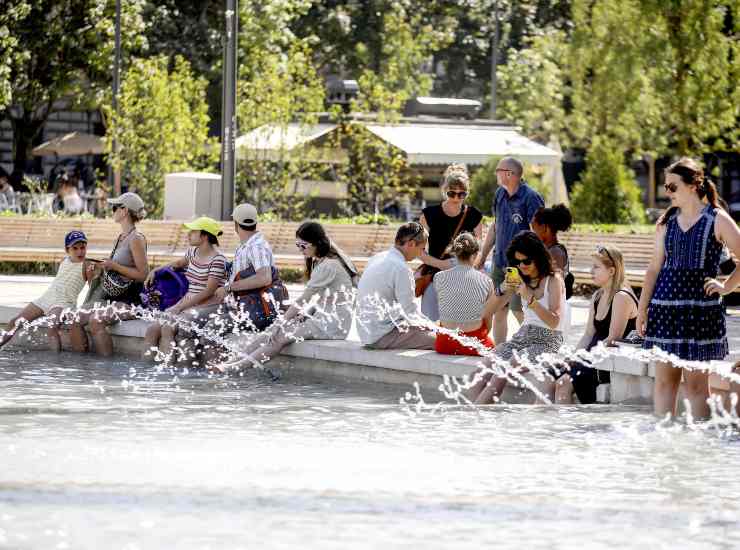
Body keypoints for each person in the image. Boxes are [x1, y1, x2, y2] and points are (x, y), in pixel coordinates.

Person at [637, 158, 740, 419]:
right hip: (665, 310)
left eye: (672, 187)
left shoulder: (717, 219)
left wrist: (726, 287)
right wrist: (642, 310)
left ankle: (699, 450)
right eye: (665, 187)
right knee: (664, 383)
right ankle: (664, 441)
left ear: (693, 185)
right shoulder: (666, 222)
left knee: (696, 386)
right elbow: (653, 269)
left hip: (700, 313)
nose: (666, 192)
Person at [217, 221, 358, 370]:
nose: (300, 250)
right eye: (298, 245)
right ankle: (233, 361)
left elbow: (303, 299)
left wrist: (280, 323)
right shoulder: (321, 262)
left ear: (315, 243)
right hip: (324, 318)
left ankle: (237, 367)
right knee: (269, 333)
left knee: (277, 337)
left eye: (303, 246)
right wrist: (307, 314)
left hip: (333, 325)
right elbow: (327, 299)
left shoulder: (328, 266)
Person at [469, 231, 568, 404]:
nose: (522, 266)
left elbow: (554, 321)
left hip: (547, 340)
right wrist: (502, 287)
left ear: (538, 257)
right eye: (517, 262)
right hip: (521, 338)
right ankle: (471, 416)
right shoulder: (521, 278)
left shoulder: (553, 280)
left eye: (526, 261)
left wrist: (529, 297)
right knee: (480, 370)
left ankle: (475, 415)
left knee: (505, 367)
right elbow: (487, 312)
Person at [200, 203, 289, 365]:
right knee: (201, 324)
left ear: (236, 224)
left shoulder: (256, 247)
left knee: (210, 330)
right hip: (248, 308)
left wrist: (228, 287)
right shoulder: (247, 245)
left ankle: (219, 374)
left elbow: (264, 278)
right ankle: (222, 367)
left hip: (257, 312)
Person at [475, 157, 545, 345]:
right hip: (499, 262)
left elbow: (539, 234)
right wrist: (483, 255)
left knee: (519, 310)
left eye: (498, 170)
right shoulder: (499, 194)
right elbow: (496, 226)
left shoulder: (531, 197)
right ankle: (500, 352)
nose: (495, 173)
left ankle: (534, 349)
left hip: (519, 266)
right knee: (499, 309)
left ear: (509, 174)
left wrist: (532, 267)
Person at [555, 246, 638, 404]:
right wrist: (574, 356)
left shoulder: (621, 297)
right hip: (590, 356)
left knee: (562, 383)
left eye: (596, 267)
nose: (590, 271)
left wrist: (584, 357)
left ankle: (564, 426)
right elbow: (588, 335)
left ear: (612, 271)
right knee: (549, 375)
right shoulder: (597, 296)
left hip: (606, 362)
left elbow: (614, 338)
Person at [70, 192, 149, 356]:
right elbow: (115, 269)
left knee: (95, 320)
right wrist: (99, 268)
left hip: (131, 301)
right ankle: (79, 367)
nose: (112, 211)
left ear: (125, 211)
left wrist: (114, 265)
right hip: (112, 297)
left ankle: (105, 369)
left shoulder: (136, 239)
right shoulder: (120, 237)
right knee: (75, 319)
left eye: (115, 208)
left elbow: (143, 274)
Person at [143, 217, 227, 360]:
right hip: (188, 301)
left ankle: (167, 373)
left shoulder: (218, 260)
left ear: (205, 236)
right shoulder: (192, 252)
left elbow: (209, 291)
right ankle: (145, 371)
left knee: (168, 328)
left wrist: (180, 307)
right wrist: (155, 270)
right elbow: (177, 264)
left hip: (206, 305)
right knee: (152, 330)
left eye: (193, 231)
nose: (189, 234)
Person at [0, 231, 91, 352]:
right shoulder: (64, 260)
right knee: (15, 321)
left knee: (52, 327)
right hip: (46, 298)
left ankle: (54, 362)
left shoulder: (87, 265)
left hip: (63, 303)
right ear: (67, 249)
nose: (80, 251)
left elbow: (92, 287)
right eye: (75, 248)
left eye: (82, 248)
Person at [418, 164, 484, 320]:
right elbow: (418, 250)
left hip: (464, 276)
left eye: (461, 194)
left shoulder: (474, 215)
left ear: (467, 194)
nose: (456, 198)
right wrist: (440, 264)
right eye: (451, 193)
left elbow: (478, 250)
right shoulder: (429, 214)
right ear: (444, 191)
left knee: (461, 323)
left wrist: (463, 265)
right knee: (430, 322)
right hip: (434, 273)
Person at [357, 222, 436, 350]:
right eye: (422, 248)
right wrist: (435, 327)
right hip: (382, 335)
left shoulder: (377, 257)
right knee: (442, 341)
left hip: (366, 333)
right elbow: (410, 312)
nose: (421, 254)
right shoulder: (401, 268)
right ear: (411, 244)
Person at [433, 233, 494, 356]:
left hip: (445, 343)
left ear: (454, 253)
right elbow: (488, 321)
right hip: (475, 343)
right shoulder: (486, 281)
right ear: (476, 254)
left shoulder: (439, 277)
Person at [532, 203, 573, 275]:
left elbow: (551, 282)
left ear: (544, 228)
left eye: (534, 229)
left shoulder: (555, 252)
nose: (532, 233)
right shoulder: (549, 250)